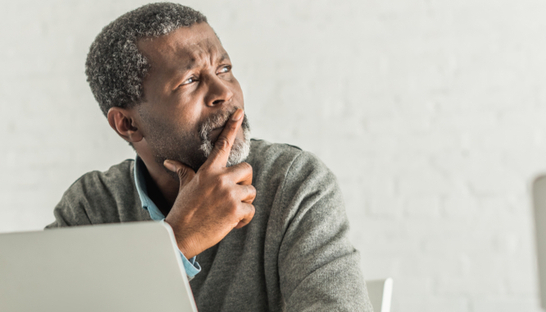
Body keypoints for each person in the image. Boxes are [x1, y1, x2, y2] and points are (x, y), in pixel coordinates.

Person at [46, 3, 372, 311]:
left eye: (225, 69)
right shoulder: (91, 209)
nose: (224, 92)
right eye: (190, 80)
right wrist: (176, 244)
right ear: (128, 124)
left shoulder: (294, 185)